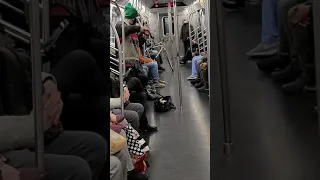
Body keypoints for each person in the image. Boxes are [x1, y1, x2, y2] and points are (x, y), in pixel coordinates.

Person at [0, 72, 108, 180]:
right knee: (78, 169)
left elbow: (28, 68)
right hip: (8, 145)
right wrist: (32, 126)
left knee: (96, 146)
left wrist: (47, 83)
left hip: (25, 124)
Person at [115, 3, 165, 88]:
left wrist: (144, 35)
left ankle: (148, 87)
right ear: (132, 17)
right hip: (125, 61)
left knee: (143, 74)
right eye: (134, 18)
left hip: (135, 61)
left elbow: (137, 44)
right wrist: (140, 28)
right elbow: (125, 30)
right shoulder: (120, 25)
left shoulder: (132, 29)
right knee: (139, 77)